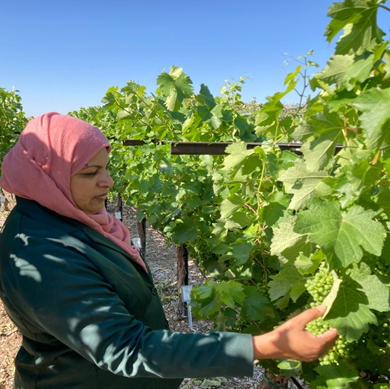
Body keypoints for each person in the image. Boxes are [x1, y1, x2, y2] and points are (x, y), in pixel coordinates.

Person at [0, 113, 338, 389]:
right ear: (48, 176)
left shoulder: (70, 217)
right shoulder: (41, 256)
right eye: (91, 172)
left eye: (106, 167)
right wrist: (264, 346)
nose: (108, 181)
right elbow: (126, 347)